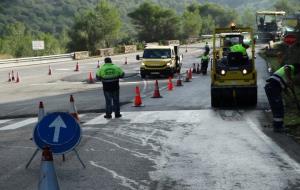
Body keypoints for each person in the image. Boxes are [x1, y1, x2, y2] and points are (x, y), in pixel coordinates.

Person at [264, 64, 300, 133]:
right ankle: (278, 127)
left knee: (277, 107)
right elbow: (287, 69)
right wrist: (289, 80)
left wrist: (291, 98)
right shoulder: (291, 67)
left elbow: (285, 89)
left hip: (272, 88)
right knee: (278, 108)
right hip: (273, 87)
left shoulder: (286, 75)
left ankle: (278, 126)